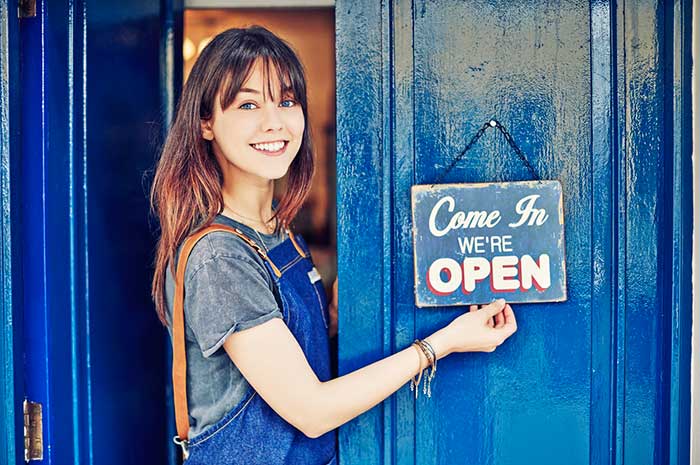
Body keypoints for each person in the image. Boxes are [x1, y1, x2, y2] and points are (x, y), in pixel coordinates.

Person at [149, 26, 517, 465]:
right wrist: (443, 344)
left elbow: (289, 354)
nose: (274, 122)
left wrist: (337, 312)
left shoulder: (277, 230)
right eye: (248, 104)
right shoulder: (221, 256)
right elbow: (311, 411)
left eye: (286, 101)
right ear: (206, 123)